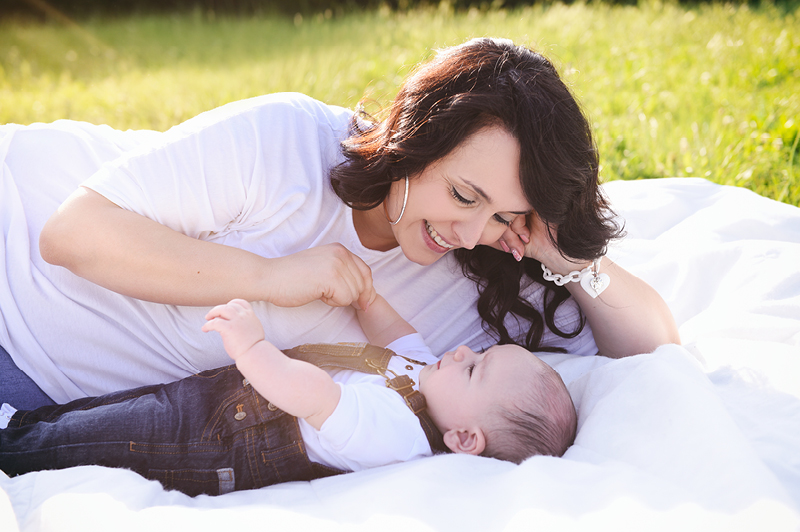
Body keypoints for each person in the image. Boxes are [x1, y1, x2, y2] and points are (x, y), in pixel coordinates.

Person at [0, 37, 679, 410]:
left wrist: (562, 256)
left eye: (505, 212)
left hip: (40, 383)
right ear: (417, 141)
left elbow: (656, 351)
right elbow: (72, 235)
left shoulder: (484, 271)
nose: (471, 232)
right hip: (15, 266)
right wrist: (271, 278)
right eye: (464, 194)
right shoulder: (291, 140)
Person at [0, 294, 577, 496]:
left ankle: (13, 447)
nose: (460, 352)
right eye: (477, 350)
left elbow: (317, 396)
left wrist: (252, 349)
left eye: (474, 368)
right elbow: (393, 332)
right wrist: (367, 297)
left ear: (464, 438)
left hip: (222, 444)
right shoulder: (428, 372)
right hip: (227, 404)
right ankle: (20, 425)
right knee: (113, 413)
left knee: (102, 439)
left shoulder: (400, 434)